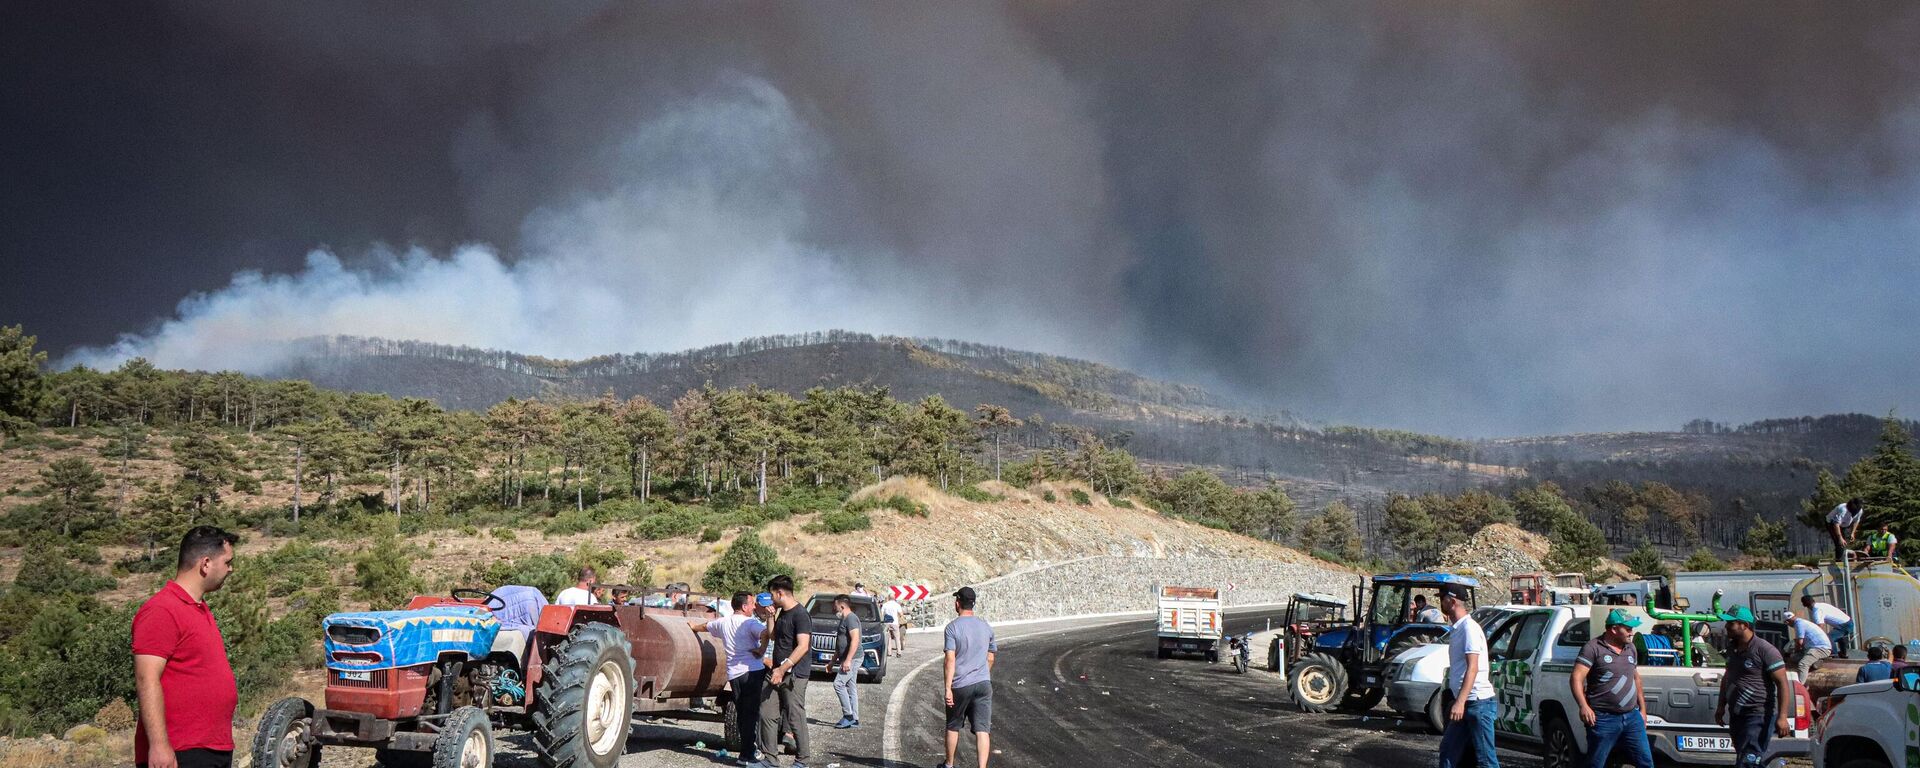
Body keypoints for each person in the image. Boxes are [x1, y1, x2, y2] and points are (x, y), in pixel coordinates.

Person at [134, 526, 241, 768]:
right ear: (206, 564)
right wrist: (159, 746)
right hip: (181, 751)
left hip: (211, 747)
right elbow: (146, 678)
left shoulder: (198, 609)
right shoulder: (161, 610)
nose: (230, 569)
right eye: (227, 562)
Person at [692, 592, 768, 764]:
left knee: (742, 712)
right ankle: (748, 753)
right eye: (752, 603)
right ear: (744, 606)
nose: (754, 606)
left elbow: (706, 626)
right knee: (751, 713)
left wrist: (693, 627)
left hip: (734, 674)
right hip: (752, 671)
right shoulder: (750, 623)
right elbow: (766, 633)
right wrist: (762, 650)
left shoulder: (723, 622)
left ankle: (746, 751)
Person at [1572, 609, 1653, 768]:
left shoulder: (1631, 648)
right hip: (1603, 718)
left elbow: (1636, 678)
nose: (1631, 633)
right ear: (1614, 629)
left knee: (1646, 762)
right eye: (1628, 629)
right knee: (1596, 763)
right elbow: (1576, 678)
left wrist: (1642, 710)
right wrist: (1583, 706)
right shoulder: (1593, 648)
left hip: (1632, 717)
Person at [1715, 606, 1793, 768]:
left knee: (1748, 761)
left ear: (1744, 625)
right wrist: (1721, 706)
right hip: (1737, 714)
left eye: (1731, 623)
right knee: (1746, 758)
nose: (1726, 626)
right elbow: (1727, 677)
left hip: (1757, 715)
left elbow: (1782, 683)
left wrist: (1782, 717)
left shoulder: (1765, 650)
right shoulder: (1732, 648)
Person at [1438, 583, 1498, 768]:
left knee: (1486, 760)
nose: (1441, 603)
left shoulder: (1469, 628)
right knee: (1448, 751)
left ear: (1452, 601)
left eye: (1442, 599)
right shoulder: (1458, 628)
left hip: (1477, 703)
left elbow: (1473, 667)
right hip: (1466, 703)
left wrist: (1460, 702)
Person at [757, 575, 812, 768]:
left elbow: (803, 646)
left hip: (794, 675)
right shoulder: (782, 613)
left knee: (795, 716)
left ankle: (802, 760)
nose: (771, 599)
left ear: (780, 593)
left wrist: (782, 668)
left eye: (772, 595)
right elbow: (773, 636)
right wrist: (770, 617)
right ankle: (770, 759)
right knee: (766, 712)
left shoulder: (800, 614)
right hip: (776, 671)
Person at [939, 586, 996, 768]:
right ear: (973, 604)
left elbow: (950, 660)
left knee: (953, 726)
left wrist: (948, 688)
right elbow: (990, 657)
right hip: (983, 683)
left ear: (958, 603)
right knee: (982, 729)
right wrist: (982, 673)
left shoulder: (952, 628)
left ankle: (949, 764)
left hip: (961, 685)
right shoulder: (986, 626)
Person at [831, 595, 863, 729]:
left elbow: (855, 639)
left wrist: (848, 660)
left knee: (838, 684)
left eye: (835, 606)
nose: (834, 609)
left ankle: (848, 716)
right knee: (850, 687)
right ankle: (854, 719)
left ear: (842, 606)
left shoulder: (851, 618)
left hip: (853, 658)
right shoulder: (844, 619)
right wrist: (832, 662)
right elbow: (841, 643)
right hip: (848, 658)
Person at [1784, 609, 1834, 678]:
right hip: (1813, 648)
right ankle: (1815, 662)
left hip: (1820, 648)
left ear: (1787, 622)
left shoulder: (1799, 624)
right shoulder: (1802, 622)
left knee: (1803, 664)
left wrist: (1796, 651)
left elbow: (1799, 642)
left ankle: (1800, 684)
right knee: (1794, 658)